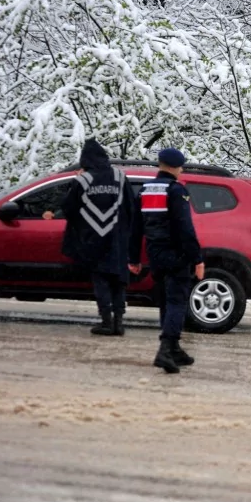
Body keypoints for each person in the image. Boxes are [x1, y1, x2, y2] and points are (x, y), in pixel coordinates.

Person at [47, 138, 137, 336]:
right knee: (118, 279)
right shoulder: (120, 177)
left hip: (93, 239)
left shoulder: (83, 180)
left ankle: (106, 321)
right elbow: (131, 207)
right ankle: (119, 323)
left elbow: (69, 208)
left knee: (101, 279)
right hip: (117, 240)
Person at [129, 148, 205, 374]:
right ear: (174, 167)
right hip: (176, 255)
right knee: (177, 301)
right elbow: (185, 228)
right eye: (180, 167)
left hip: (155, 255)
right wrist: (197, 259)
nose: (181, 171)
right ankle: (165, 348)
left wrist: (133, 258)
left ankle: (173, 349)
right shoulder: (176, 191)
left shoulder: (145, 190)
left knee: (166, 301)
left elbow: (136, 227)